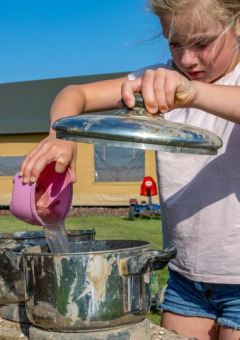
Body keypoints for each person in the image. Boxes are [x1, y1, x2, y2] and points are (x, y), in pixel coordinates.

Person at [19, 0, 240, 339]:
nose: (187, 59)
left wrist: (192, 93)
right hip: (184, 281)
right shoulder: (160, 78)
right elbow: (74, 93)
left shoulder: (192, 85)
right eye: (175, 43)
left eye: (201, 42)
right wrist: (60, 136)